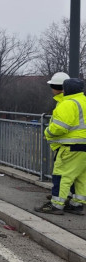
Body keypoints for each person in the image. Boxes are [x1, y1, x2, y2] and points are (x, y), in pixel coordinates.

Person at [36, 77, 86, 215]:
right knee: (81, 177)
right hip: (83, 147)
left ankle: (56, 205)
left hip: (71, 146)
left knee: (62, 175)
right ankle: (77, 205)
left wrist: (47, 132)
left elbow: (60, 127)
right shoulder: (83, 101)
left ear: (67, 89)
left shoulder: (68, 104)